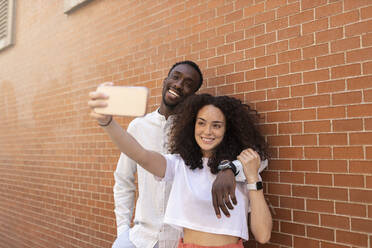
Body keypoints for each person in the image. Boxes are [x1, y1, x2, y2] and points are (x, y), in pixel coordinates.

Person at [89, 91, 273, 247]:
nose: (207, 131)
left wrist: (244, 175)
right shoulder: (179, 164)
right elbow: (140, 155)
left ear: (228, 130)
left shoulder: (243, 167)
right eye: (201, 123)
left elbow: (263, 236)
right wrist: (108, 123)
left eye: (216, 125)